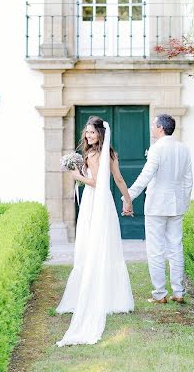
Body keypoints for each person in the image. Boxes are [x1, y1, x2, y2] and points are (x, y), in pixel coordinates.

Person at [56, 116, 134, 346]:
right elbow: (118, 179)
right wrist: (127, 200)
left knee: (91, 243)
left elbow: (98, 183)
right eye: (87, 132)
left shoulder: (94, 154)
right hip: (105, 202)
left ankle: (92, 292)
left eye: (92, 132)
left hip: (94, 201)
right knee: (105, 243)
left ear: (100, 133)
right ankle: (113, 297)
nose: (88, 136)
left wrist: (77, 176)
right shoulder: (110, 153)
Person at [123, 114, 192, 304]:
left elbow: (146, 175)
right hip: (176, 205)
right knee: (176, 248)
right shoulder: (183, 149)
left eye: (153, 125)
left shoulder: (157, 149)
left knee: (155, 249)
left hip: (156, 205)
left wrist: (128, 196)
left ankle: (160, 293)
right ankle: (178, 292)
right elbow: (188, 180)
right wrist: (184, 202)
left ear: (160, 128)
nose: (152, 128)